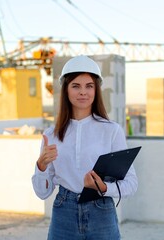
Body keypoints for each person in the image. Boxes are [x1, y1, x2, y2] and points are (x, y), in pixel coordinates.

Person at [32, 55, 138, 240]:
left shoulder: (111, 130)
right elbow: (42, 193)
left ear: (96, 90)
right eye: (76, 86)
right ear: (66, 90)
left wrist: (103, 188)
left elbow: (131, 184)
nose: (83, 92)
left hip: (101, 211)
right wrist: (40, 167)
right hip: (63, 212)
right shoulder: (51, 135)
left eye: (89, 86)